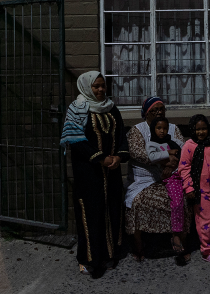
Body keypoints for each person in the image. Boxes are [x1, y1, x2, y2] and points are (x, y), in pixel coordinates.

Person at [59, 71, 129, 277]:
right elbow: (76, 139)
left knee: (112, 210)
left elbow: (121, 135)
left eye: (102, 86)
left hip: (112, 172)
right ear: (86, 87)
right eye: (95, 86)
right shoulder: (77, 108)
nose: (100, 90)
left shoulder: (111, 108)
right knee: (90, 213)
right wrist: (100, 158)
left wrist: (118, 157)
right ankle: (88, 258)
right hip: (89, 173)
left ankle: (109, 255)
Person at [126, 97, 192, 263]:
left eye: (161, 109)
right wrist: (165, 158)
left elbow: (183, 150)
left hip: (171, 176)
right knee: (137, 201)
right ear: (145, 113)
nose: (158, 112)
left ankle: (180, 242)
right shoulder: (137, 130)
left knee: (181, 199)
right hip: (144, 179)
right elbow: (137, 153)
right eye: (153, 110)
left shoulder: (172, 128)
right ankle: (138, 246)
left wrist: (170, 167)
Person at [178, 114, 210, 264]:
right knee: (205, 220)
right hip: (199, 191)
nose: (201, 132)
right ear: (193, 130)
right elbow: (183, 168)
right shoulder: (189, 146)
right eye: (198, 129)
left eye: (204, 128)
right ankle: (206, 251)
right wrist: (189, 188)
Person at [146, 117, 185, 235]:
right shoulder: (151, 144)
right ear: (153, 129)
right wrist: (168, 153)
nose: (162, 131)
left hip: (182, 172)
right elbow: (152, 157)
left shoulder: (173, 142)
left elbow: (184, 151)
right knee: (177, 202)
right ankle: (176, 232)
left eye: (165, 128)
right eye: (159, 128)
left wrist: (173, 161)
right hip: (171, 177)